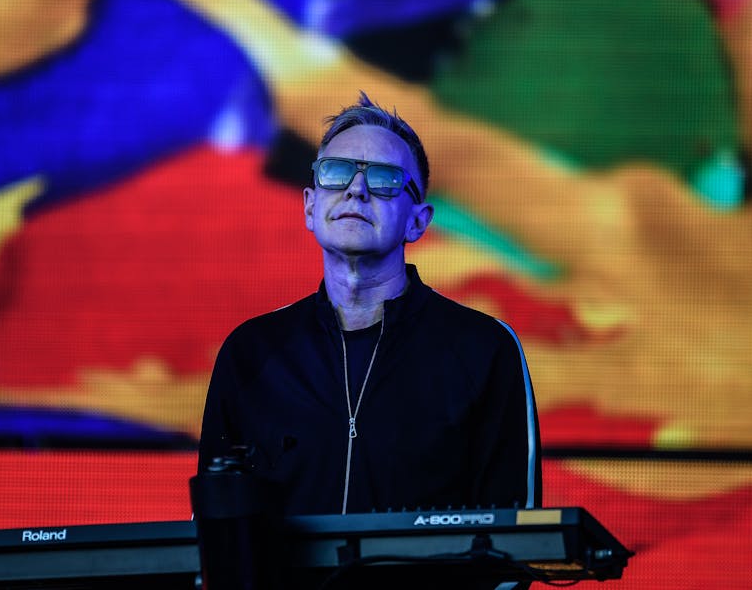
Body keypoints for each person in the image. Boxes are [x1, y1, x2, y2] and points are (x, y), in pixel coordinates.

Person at [198, 93, 541, 517]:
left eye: (384, 179)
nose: (356, 190)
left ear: (418, 220)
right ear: (309, 206)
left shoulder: (483, 349)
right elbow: (217, 534)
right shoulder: (251, 353)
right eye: (337, 172)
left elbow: (514, 538)